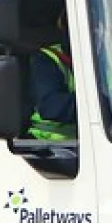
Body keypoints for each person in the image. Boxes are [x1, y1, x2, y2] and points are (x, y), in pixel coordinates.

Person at [26, 13, 77, 141]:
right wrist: (103, 106)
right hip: (50, 144)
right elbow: (50, 106)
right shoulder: (46, 58)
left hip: (105, 138)